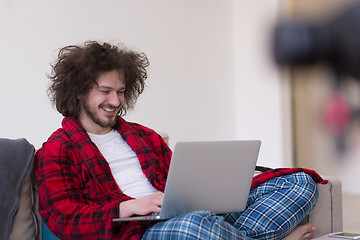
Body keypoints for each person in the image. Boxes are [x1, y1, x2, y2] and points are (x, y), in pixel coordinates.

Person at [35, 41, 320, 240]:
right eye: (106, 91)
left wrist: (212, 188)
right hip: (142, 230)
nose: (115, 101)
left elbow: (180, 184)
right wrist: (130, 206)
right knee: (193, 227)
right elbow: (62, 218)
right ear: (79, 92)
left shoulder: (144, 136)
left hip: (191, 214)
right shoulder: (57, 149)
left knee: (299, 182)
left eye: (121, 91)